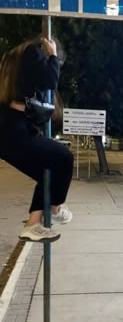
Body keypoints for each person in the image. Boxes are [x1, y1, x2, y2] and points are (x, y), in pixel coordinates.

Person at [0, 37, 74, 242]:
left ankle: (32, 225)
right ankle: (56, 207)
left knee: (46, 172)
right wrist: (52, 56)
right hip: (17, 130)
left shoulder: (14, 59)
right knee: (65, 158)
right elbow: (50, 80)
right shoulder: (33, 52)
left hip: (9, 131)